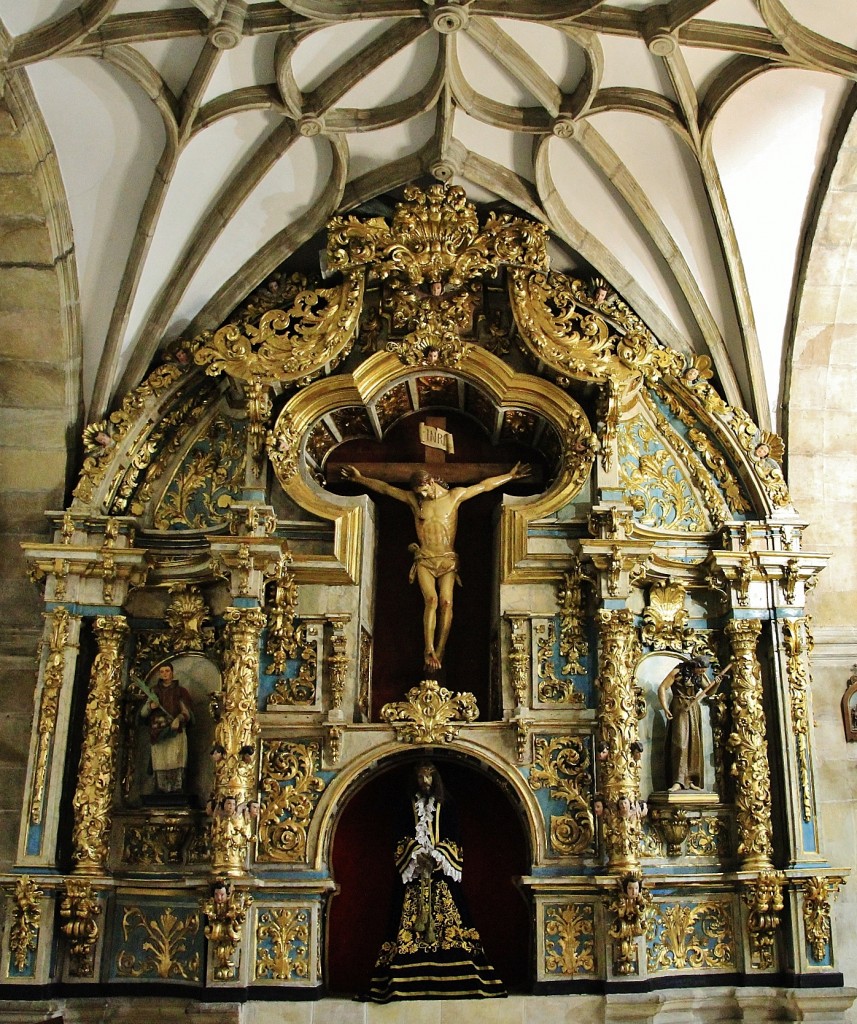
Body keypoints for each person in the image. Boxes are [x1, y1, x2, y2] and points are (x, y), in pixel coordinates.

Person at [342, 462, 531, 670]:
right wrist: (360, 479)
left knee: (446, 603)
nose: (422, 495)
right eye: (418, 492)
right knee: (431, 600)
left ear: (431, 482)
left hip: (447, 560)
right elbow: (387, 489)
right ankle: (428, 648)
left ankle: (439, 650)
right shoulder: (414, 501)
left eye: (423, 490)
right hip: (425, 559)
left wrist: (510, 476)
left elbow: (484, 486)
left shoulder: (453, 497)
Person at [365, 762, 506, 1002]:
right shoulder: (404, 806)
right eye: (421, 777)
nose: (425, 782)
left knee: (453, 920)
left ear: (436, 779)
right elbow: (399, 837)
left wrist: (440, 854)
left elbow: (455, 836)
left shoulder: (447, 805)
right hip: (415, 875)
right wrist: (414, 852)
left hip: (441, 875)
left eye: (429, 777)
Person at [657, 658, 732, 791]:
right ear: (694, 666)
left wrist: (717, 684)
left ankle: (691, 780)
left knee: (694, 745)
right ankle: (678, 780)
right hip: (680, 707)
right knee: (680, 744)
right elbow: (662, 687)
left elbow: (709, 692)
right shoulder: (678, 672)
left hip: (693, 709)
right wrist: (665, 707)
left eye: (704, 671)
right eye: (700, 669)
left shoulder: (699, 676)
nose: (702, 672)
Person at [139, 662, 194, 795]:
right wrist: (150, 707)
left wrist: (178, 719)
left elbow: (187, 713)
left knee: (175, 758)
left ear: (172, 672)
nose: (164, 674)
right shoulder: (154, 691)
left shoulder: (180, 691)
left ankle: (176, 787)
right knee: (161, 760)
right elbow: (143, 714)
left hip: (175, 732)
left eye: (167, 671)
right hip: (159, 732)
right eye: (162, 671)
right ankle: (160, 787)